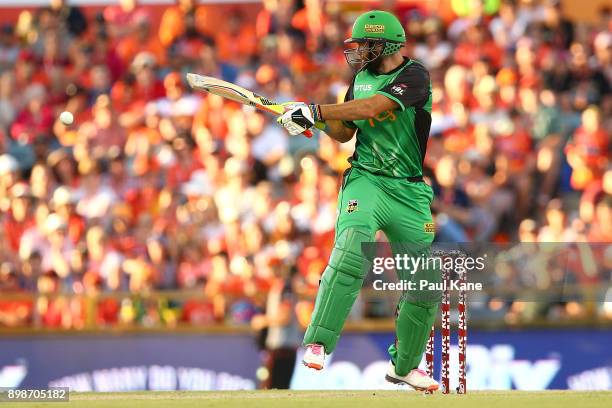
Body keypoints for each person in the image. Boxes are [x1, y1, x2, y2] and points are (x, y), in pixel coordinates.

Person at [278, 10, 439, 391]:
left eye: (366, 43)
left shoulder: (415, 75)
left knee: (426, 283)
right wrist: (312, 121)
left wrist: (316, 110)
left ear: (388, 44)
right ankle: (318, 342)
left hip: (410, 191)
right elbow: (345, 130)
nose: (359, 51)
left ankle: (405, 366)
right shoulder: (360, 79)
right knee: (352, 249)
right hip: (366, 179)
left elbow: (371, 109)